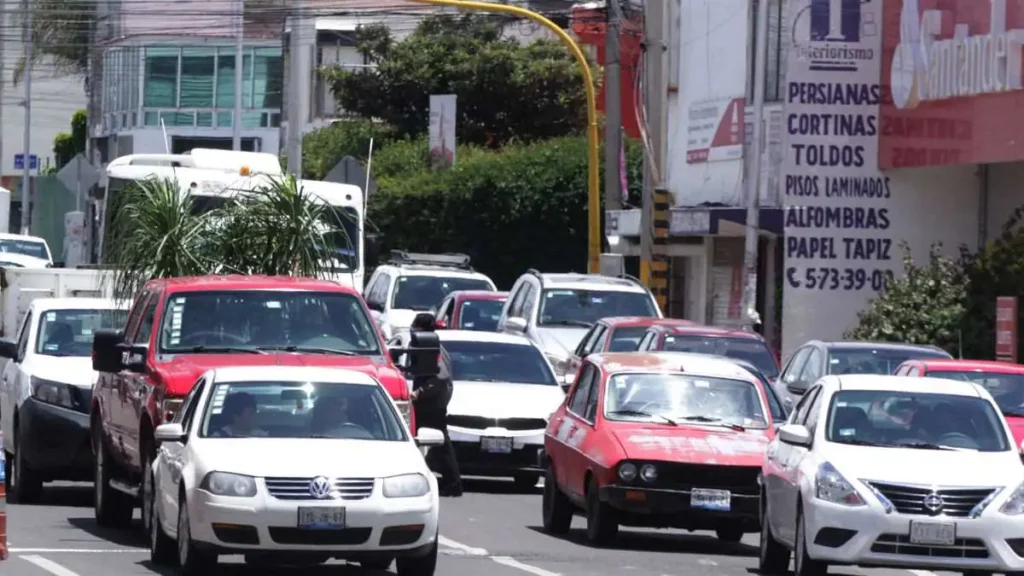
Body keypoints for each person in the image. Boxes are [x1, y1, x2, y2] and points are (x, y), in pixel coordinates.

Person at [410, 312, 462, 497]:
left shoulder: (433, 348)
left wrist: (419, 392)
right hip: (429, 401)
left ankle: (453, 483)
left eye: (414, 327)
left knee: (441, 443)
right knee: (431, 443)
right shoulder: (426, 346)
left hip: (432, 402)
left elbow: (441, 376)